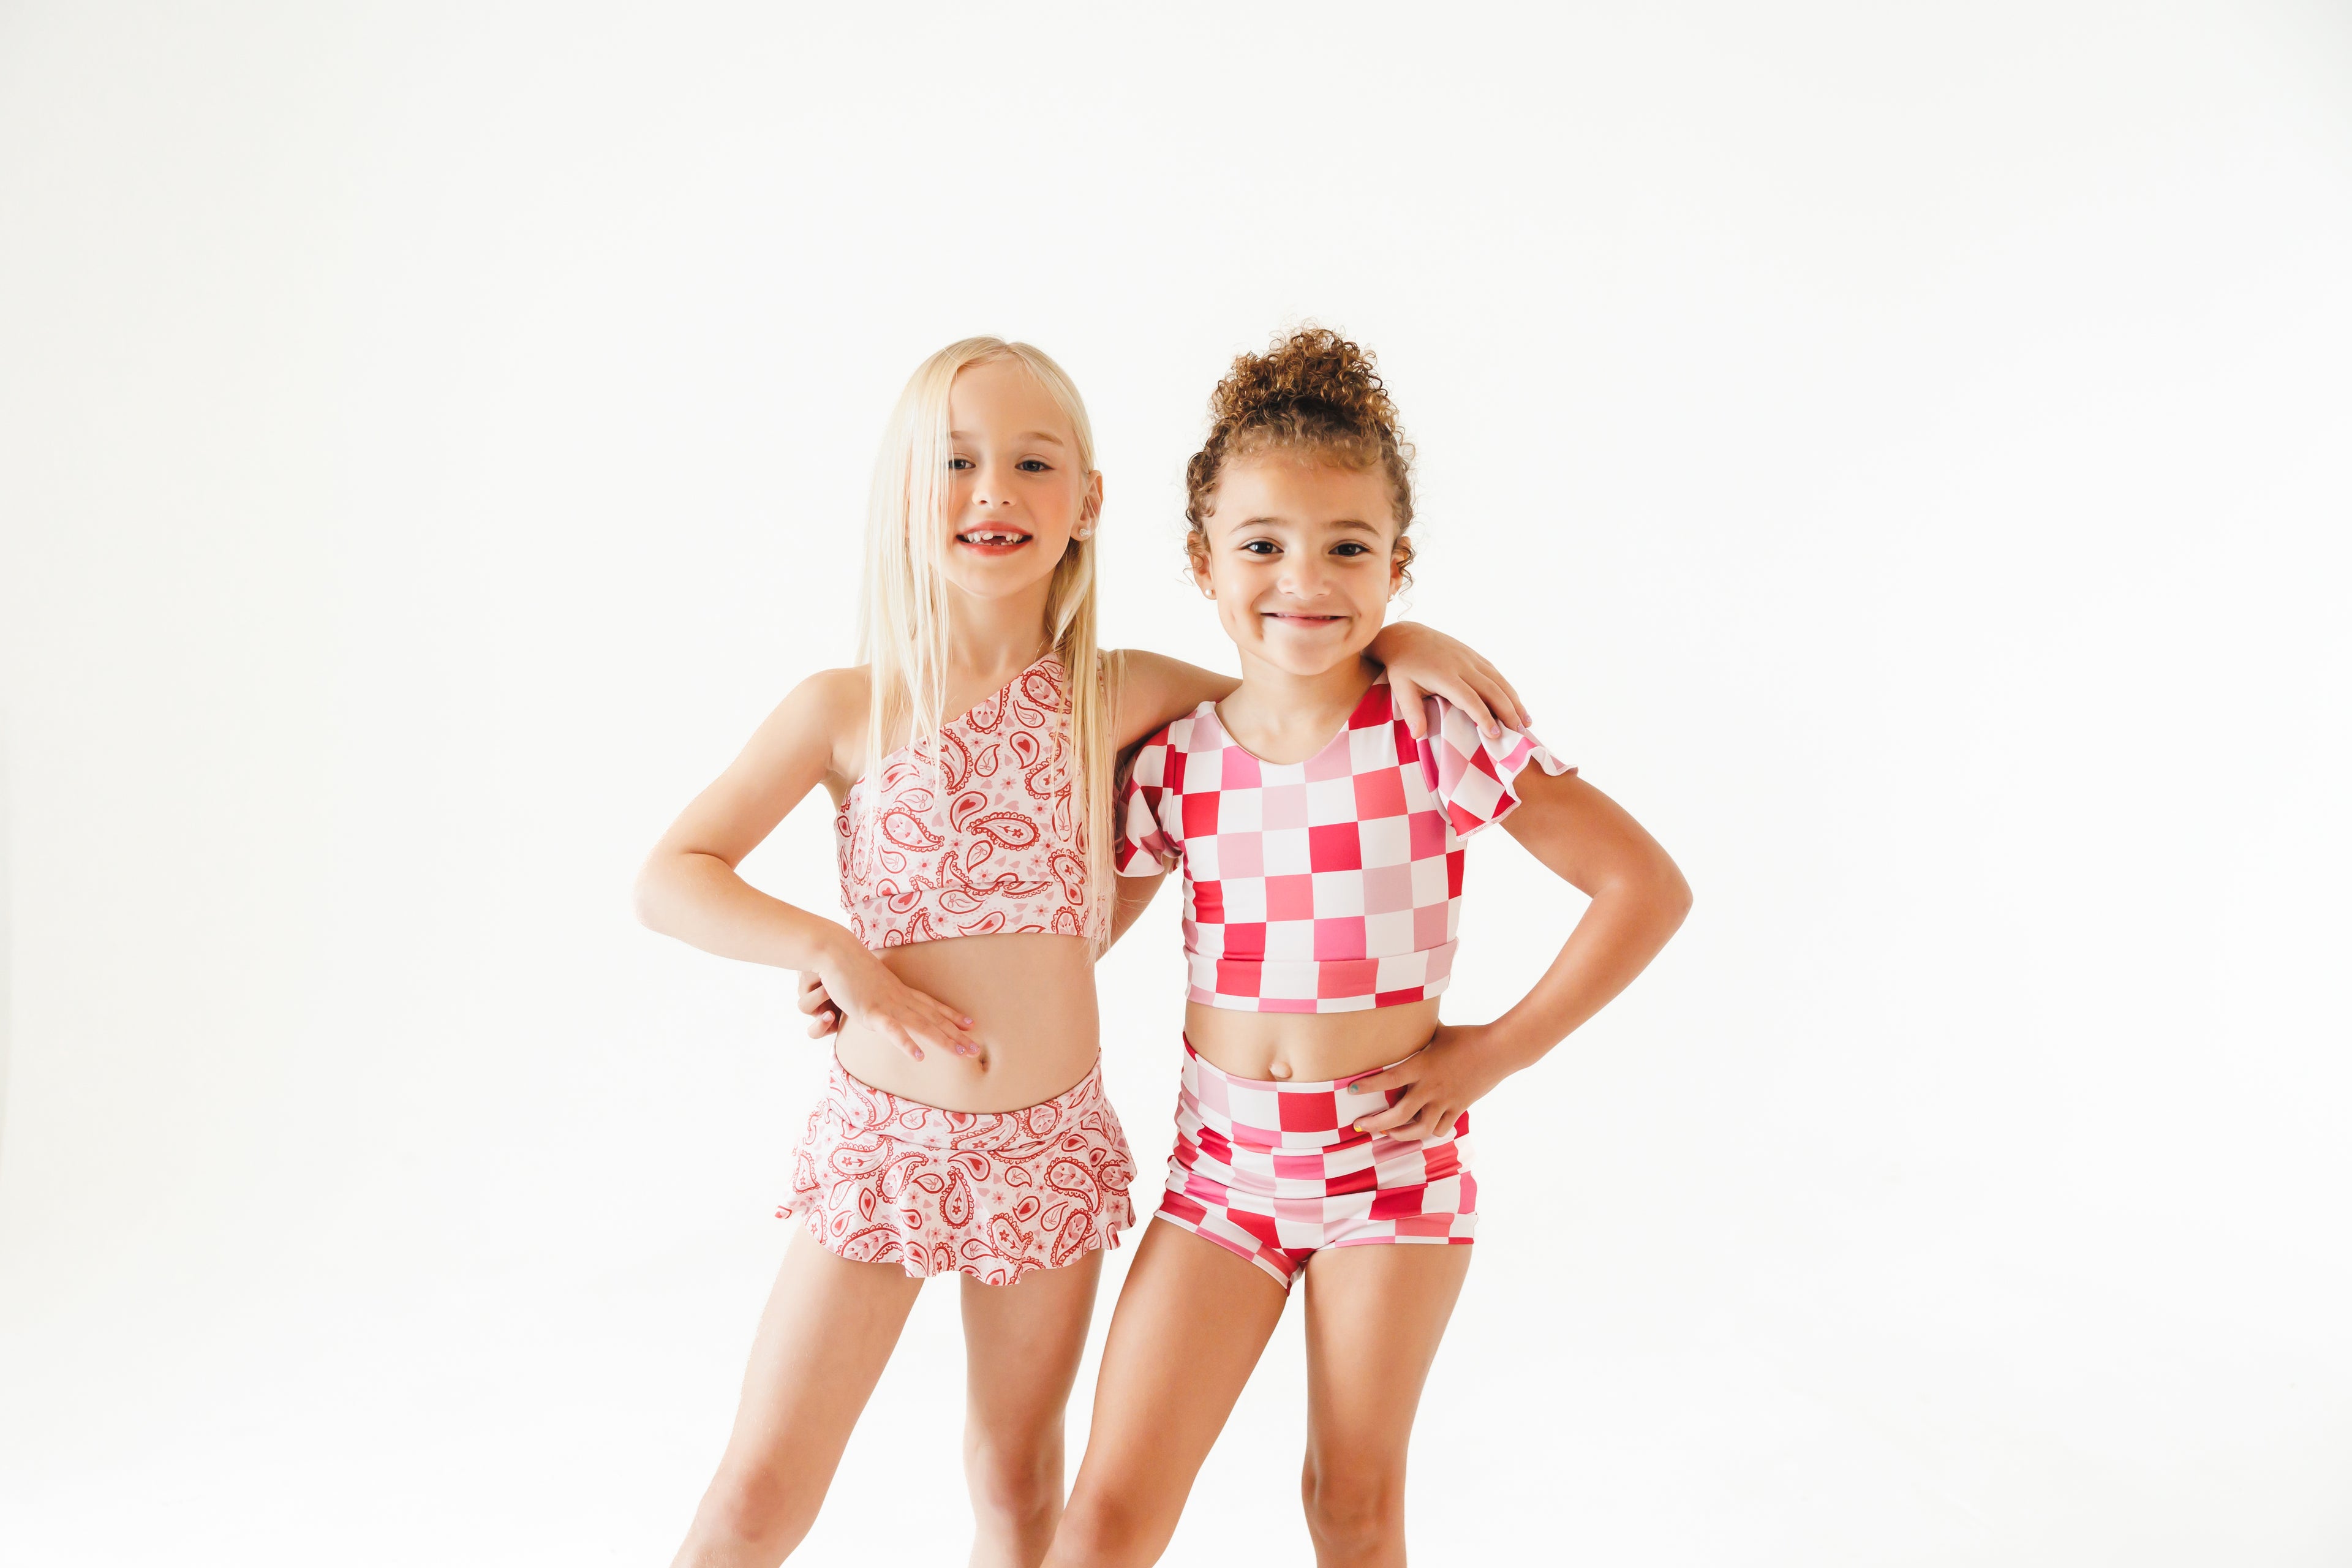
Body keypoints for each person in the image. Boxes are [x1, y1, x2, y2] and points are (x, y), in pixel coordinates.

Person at [633, 334, 1528, 1568]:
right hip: (884, 1145)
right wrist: (831, 950)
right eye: (956, 461)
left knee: (1016, 1475)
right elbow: (672, 876)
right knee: (763, 1485)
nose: (994, 490)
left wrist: (1405, 646)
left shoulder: (1120, 695)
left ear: (1087, 503)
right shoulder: (844, 706)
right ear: (905, 492)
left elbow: (1295, 683)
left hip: (1050, 1149)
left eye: (1031, 464)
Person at [1037, 328, 1692, 1567]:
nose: (1306, 578)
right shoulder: (1178, 761)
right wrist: (874, 970)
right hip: (1220, 1172)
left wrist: (1488, 1053)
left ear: (1398, 566)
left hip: (1390, 1174)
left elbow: (1644, 887)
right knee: (1107, 1516)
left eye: (1349, 547)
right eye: (1264, 545)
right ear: (1201, 562)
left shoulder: (1436, 731)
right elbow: (1064, 948)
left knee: (1350, 1500)